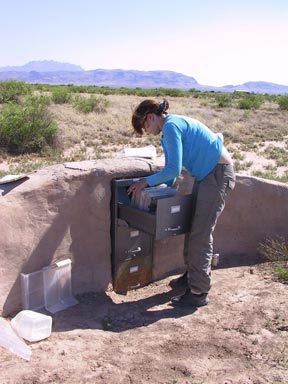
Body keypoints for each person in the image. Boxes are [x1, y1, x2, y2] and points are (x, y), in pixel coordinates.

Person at [128, 98, 235, 308]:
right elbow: (171, 173)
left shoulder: (171, 127)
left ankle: (199, 292)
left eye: (145, 127)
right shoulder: (172, 125)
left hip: (217, 175)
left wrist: (144, 183)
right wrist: (157, 191)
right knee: (192, 227)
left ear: (150, 117)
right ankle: (192, 276)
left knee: (201, 234)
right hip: (207, 176)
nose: (147, 131)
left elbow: (173, 170)